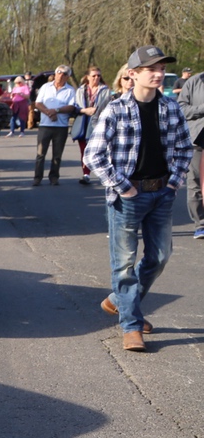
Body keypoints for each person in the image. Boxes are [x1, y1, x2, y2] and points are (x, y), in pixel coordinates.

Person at [83, 46, 193, 351]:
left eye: (161, 69)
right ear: (133, 74)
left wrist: (174, 183)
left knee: (159, 257)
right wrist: (121, 185)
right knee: (124, 265)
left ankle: (120, 301)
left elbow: (185, 149)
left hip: (162, 193)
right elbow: (93, 155)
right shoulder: (116, 109)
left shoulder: (171, 108)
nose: (158, 74)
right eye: (150, 69)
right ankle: (131, 326)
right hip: (127, 197)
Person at [32, 64, 78, 185]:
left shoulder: (70, 90)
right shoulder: (46, 87)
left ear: (68, 77)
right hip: (45, 125)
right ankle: (37, 178)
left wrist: (56, 111)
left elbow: (71, 106)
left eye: (64, 74)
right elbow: (38, 103)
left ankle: (54, 177)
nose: (61, 75)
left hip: (61, 127)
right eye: (59, 72)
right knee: (40, 154)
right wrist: (48, 112)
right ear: (55, 74)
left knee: (57, 155)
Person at [176, 61, 204, 239]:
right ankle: (200, 224)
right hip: (197, 140)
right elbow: (181, 108)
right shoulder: (194, 82)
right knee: (195, 183)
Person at [72, 66, 111, 184]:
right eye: (93, 76)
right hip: (82, 123)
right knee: (84, 151)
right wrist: (85, 110)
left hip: (98, 123)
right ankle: (86, 174)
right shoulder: (80, 90)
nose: (96, 78)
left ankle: (105, 174)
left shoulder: (105, 90)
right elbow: (74, 107)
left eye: (98, 75)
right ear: (87, 77)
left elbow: (109, 106)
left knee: (99, 151)